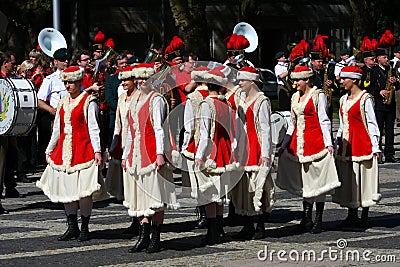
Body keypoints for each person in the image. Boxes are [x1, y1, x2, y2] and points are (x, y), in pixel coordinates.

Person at [36, 66, 103, 242]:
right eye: (65, 82)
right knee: (67, 189)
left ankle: (85, 227)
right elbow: (58, 129)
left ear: (79, 82)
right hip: (65, 150)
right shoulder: (63, 102)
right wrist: (49, 149)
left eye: (71, 82)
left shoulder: (89, 101)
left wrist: (97, 151)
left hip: (83, 149)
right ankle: (72, 226)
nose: (67, 85)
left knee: (84, 191)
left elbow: (93, 128)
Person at [121, 63, 179, 253]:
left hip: (151, 152)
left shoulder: (157, 100)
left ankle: (156, 237)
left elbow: (159, 129)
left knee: (155, 196)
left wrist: (160, 154)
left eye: (145, 78)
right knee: (139, 196)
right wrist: (125, 155)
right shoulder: (134, 100)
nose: (141, 82)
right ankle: (143, 236)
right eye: (138, 78)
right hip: (136, 153)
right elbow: (130, 130)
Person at [276, 66, 341, 234]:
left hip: (315, 142)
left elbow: (324, 120)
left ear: (307, 80)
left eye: (298, 80)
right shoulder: (295, 97)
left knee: (317, 181)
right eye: (294, 80)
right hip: (299, 143)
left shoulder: (318, 95)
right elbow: (292, 122)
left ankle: (318, 219)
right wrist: (284, 144)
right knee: (305, 181)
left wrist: (329, 143)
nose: (295, 83)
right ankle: (306, 217)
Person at [333, 66, 381, 228]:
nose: (341, 82)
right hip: (347, 145)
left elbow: (372, 124)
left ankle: (365, 214)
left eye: (344, 79)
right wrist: (337, 143)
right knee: (350, 180)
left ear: (353, 79)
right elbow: (342, 124)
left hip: (362, 144)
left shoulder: (365, 99)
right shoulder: (343, 99)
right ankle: (352, 213)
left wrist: (375, 146)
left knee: (364, 179)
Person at [230, 66, 274, 240]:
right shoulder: (241, 98)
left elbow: (266, 128)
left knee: (258, 184)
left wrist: (266, 153)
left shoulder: (262, 100)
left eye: (242, 80)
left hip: (257, 143)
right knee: (244, 186)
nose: (239, 83)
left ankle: (260, 224)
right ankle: (247, 223)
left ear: (252, 81)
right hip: (244, 144)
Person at [194, 67, 235, 245]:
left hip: (211, 151)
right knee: (219, 192)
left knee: (209, 193)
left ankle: (212, 231)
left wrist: (199, 155)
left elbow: (204, 134)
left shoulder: (207, 104)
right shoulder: (227, 103)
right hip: (225, 150)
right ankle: (219, 229)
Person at [106, 65, 140, 235]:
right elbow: (118, 124)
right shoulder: (121, 99)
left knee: (136, 183)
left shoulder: (140, 98)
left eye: (127, 80)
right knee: (125, 184)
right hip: (122, 143)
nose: (124, 83)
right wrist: (113, 146)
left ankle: (141, 219)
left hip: (136, 144)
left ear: (135, 80)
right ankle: (134, 218)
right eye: (122, 80)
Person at [181, 66, 210, 227]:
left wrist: (185, 145)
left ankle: (204, 215)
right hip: (214, 143)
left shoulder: (193, 98)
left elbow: (189, 125)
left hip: (197, 143)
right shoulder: (217, 95)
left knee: (198, 182)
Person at [369, 46, 399, 163]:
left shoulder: (391, 69)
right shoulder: (373, 71)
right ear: (378, 59)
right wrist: (379, 91)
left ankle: (390, 153)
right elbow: (369, 87)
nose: (387, 60)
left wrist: (395, 81)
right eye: (384, 57)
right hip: (379, 105)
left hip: (390, 104)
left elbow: (399, 83)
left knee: (390, 130)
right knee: (378, 130)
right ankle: (378, 152)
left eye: (387, 57)